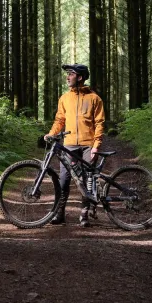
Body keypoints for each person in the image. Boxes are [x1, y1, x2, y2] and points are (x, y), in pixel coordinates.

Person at [44, 63, 105, 227]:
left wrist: (96, 146)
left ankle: (84, 215)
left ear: (80, 77)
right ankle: (60, 214)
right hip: (69, 145)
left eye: (71, 74)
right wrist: (51, 134)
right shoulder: (64, 98)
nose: (67, 77)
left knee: (86, 181)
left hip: (87, 145)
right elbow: (60, 120)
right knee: (63, 180)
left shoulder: (94, 98)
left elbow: (99, 123)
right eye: (68, 74)